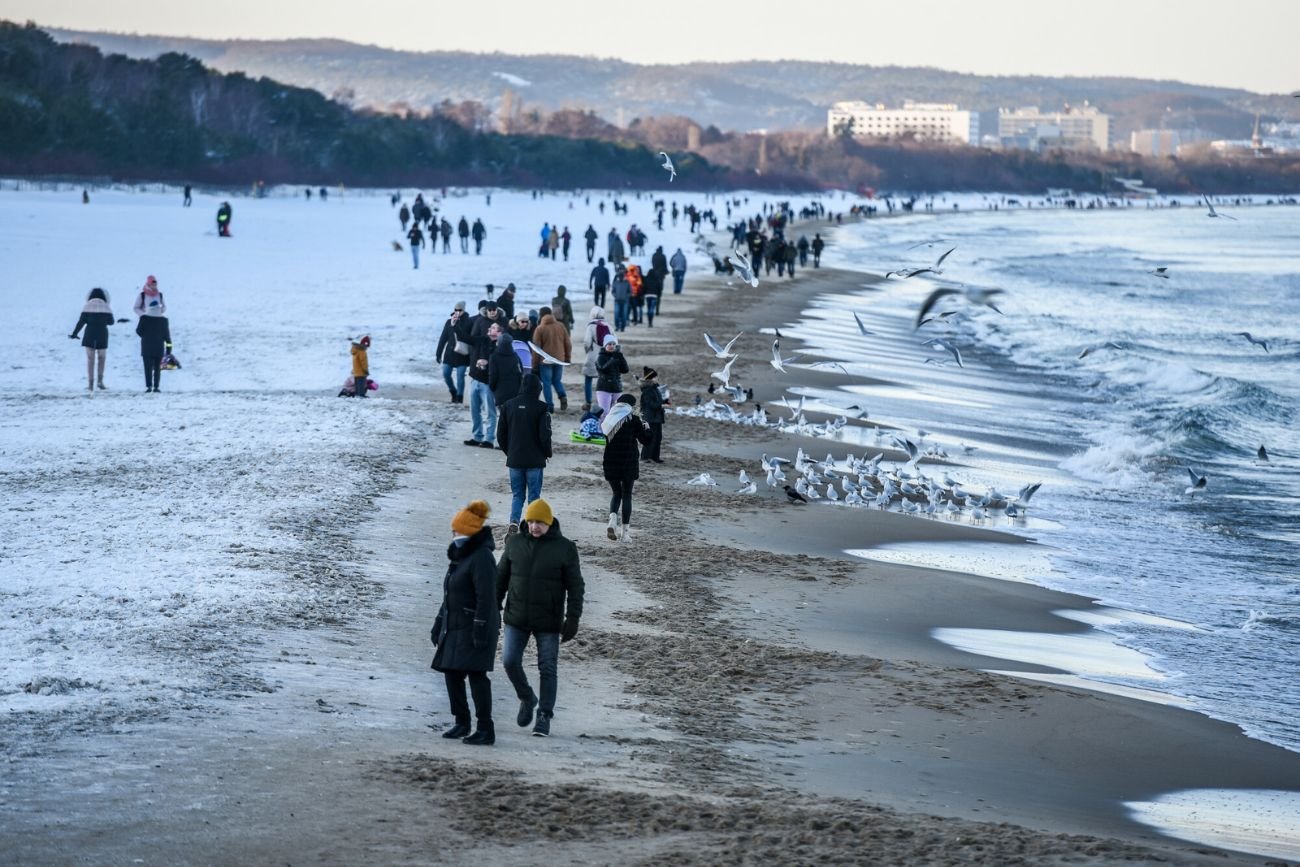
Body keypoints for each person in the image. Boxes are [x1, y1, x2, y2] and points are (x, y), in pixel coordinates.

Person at [495, 498, 584, 738]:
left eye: (540, 523)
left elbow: (576, 587)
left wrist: (572, 619)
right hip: (516, 616)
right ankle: (527, 697)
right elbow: (500, 578)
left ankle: (544, 715)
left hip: (549, 619)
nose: (535, 527)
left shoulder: (565, 548)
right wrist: (493, 607)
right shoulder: (514, 543)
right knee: (510, 661)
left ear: (549, 523)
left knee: (547, 667)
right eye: (531, 521)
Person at [431, 499, 500, 745]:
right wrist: (439, 622)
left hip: (474, 625)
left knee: (476, 675)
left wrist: (480, 627)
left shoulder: (481, 557)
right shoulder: (461, 555)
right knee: (451, 672)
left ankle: (485, 728)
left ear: (468, 531)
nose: (453, 533)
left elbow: (486, 596)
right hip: (456, 624)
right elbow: (450, 593)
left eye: (457, 529)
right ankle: (462, 722)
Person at [497, 373, 552, 529]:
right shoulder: (542, 407)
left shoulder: (508, 405)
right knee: (534, 496)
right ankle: (532, 526)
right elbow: (545, 435)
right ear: (538, 389)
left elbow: (500, 434)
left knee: (517, 495)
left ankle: (514, 522)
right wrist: (547, 453)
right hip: (535, 460)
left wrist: (510, 452)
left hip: (515, 459)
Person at [601, 394, 652, 542]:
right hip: (628, 463)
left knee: (616, 493)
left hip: (610, 461)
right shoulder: (633, 419)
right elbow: (646, 440)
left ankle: (612, 520)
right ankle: (625, 534)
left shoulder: (608, 419)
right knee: (627, 495)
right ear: (630, 405)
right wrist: (647, 428)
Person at [69, 287, 120, 391]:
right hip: (102, 335)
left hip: (89, 334)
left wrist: (75, 333)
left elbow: (81, 322)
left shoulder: (86, 307)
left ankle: (90, 384)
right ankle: (100, 382)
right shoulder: (106, 307)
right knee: (101, 359)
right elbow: (111, 322)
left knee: (90, 359)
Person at [465, 311, 502, 447]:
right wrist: (454, 324)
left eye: (493, 328)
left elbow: (501, 365)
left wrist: (487, 362)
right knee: (474, 410)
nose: (489, 329)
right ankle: (477, 436)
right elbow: (465, 337)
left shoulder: (501, 346)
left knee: (490, 412)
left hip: (488, 383)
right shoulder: (481, 340)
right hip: (474, 379)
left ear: (499, 333)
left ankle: (489, 439)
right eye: (490, 327)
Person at [531, 307, 571, 412]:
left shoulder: (540, 329)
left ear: (541, 315)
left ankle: (550, 406)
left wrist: (534, 365)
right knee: (557, 380)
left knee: (547, 383)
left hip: (546, 361)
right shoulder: (561, 326)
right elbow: (568, 343)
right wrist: (567, 358)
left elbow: (536, 349)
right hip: (559, 359)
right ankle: (562, 396)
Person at [436, 301, 472, 403]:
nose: (457, 312)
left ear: (464, 311)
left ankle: (459, 398)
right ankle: (453, 391)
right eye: (455, 310)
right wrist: (438, 354)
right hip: (449, 354)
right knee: (446, 374)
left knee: (460, 376)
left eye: (460, 310)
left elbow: (471, 339)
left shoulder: (469, 322)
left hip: (463, 354)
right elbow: (443, 338)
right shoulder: (449, 322)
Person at [136, 305, 172, 394]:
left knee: (147, 368)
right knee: (157, 368)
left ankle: (148, 386)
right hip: (158, 348)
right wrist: (169, 349)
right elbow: (167, 336)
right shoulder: (164, 321)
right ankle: (156, 386)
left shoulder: (144, 318)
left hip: (146, 347)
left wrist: (144, 336)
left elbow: (138, 331)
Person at [580, 307, 610, 413]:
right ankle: (602, 402)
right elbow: (614, 340)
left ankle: (588, 402)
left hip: (593, 355)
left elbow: (587, 342)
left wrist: (587, 351)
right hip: (605, 356)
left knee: (588, 379)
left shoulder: (591, 326)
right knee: (602, 380)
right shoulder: (608, 326)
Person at [639, 368, 668, 463]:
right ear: (650, 378)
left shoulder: (655, 388)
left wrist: (665, 402)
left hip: (657, 416)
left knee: (658, 438)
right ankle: (645, 457)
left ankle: (655, 457)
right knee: (650, 437)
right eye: (655, 377)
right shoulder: (647, 390)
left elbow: (658, 400)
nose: (657, 378)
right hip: (650, 417)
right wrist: (661, 405)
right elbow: (650, 404)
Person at [488, 332, 523, 410]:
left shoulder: (494, 357)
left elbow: (493, 375)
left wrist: (492, 387)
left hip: (500, 392)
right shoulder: (515, 356)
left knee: (504, 418)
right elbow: (520, 372)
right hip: (515, 392)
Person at [594, 334, 627, 414]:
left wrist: (621, 358)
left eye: (614, 344)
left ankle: (614, 427)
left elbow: (625, 370)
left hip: (617, 387)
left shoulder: (617, 356)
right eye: (609, 344)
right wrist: (612, 359)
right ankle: (601, 427)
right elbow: (602, 369)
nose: (612, 346)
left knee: (616, 413)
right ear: (605, 345)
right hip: (604, 388)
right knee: (604, 413)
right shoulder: (600, 357)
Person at [610, 265, 631, 333]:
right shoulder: (616, 281)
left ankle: (622, 327)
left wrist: (626, 296)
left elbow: (630, 291)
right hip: (617, 300)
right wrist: (615, 295)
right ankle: (617, 326)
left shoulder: (627, 281)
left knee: (624, 315)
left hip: (625, 301)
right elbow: (613, 290)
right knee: (617, 314)